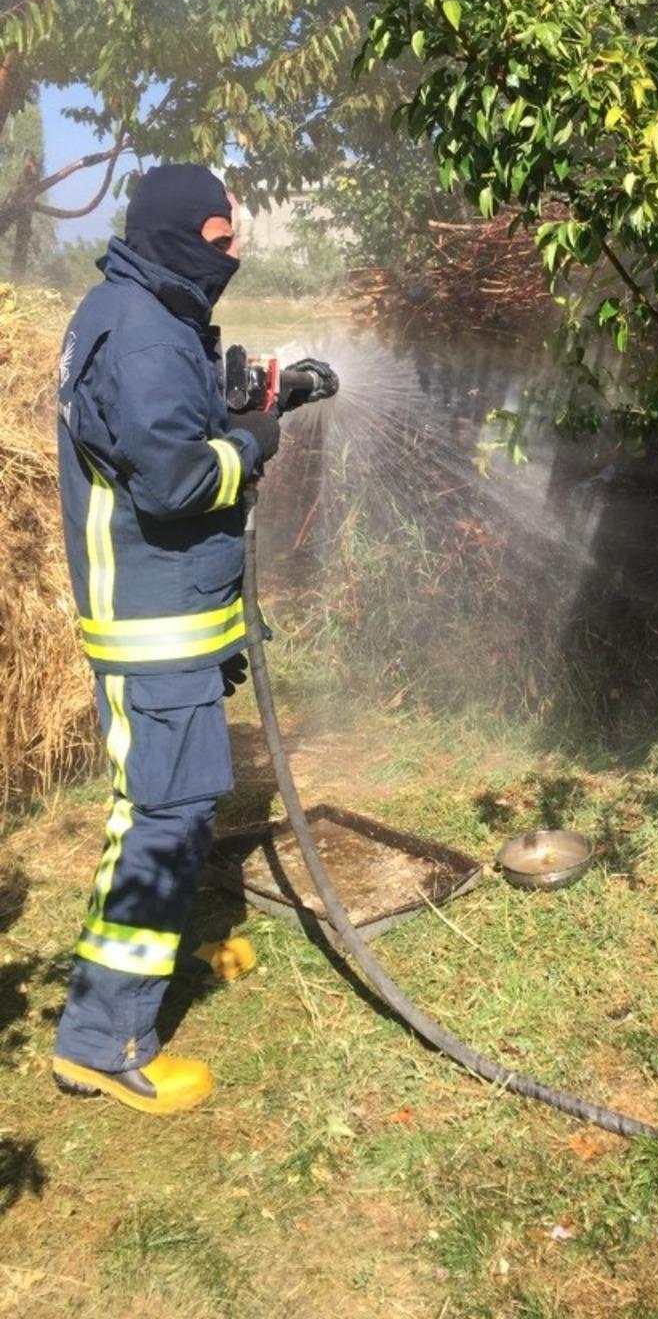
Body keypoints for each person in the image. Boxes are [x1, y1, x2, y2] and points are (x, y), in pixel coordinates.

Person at [50, 163, 331, 1114]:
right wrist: (253, 443)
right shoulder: (140, 339)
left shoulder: (142, 313)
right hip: (151, 621)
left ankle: (139, 983)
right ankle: (103, 1038)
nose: (235, 254)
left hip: (169, 616)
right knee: (162, 819)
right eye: (222, 239)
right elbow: (172, 483)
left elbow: (163, 428)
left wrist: (252, 397)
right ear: (177, 234)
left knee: (173, 808)